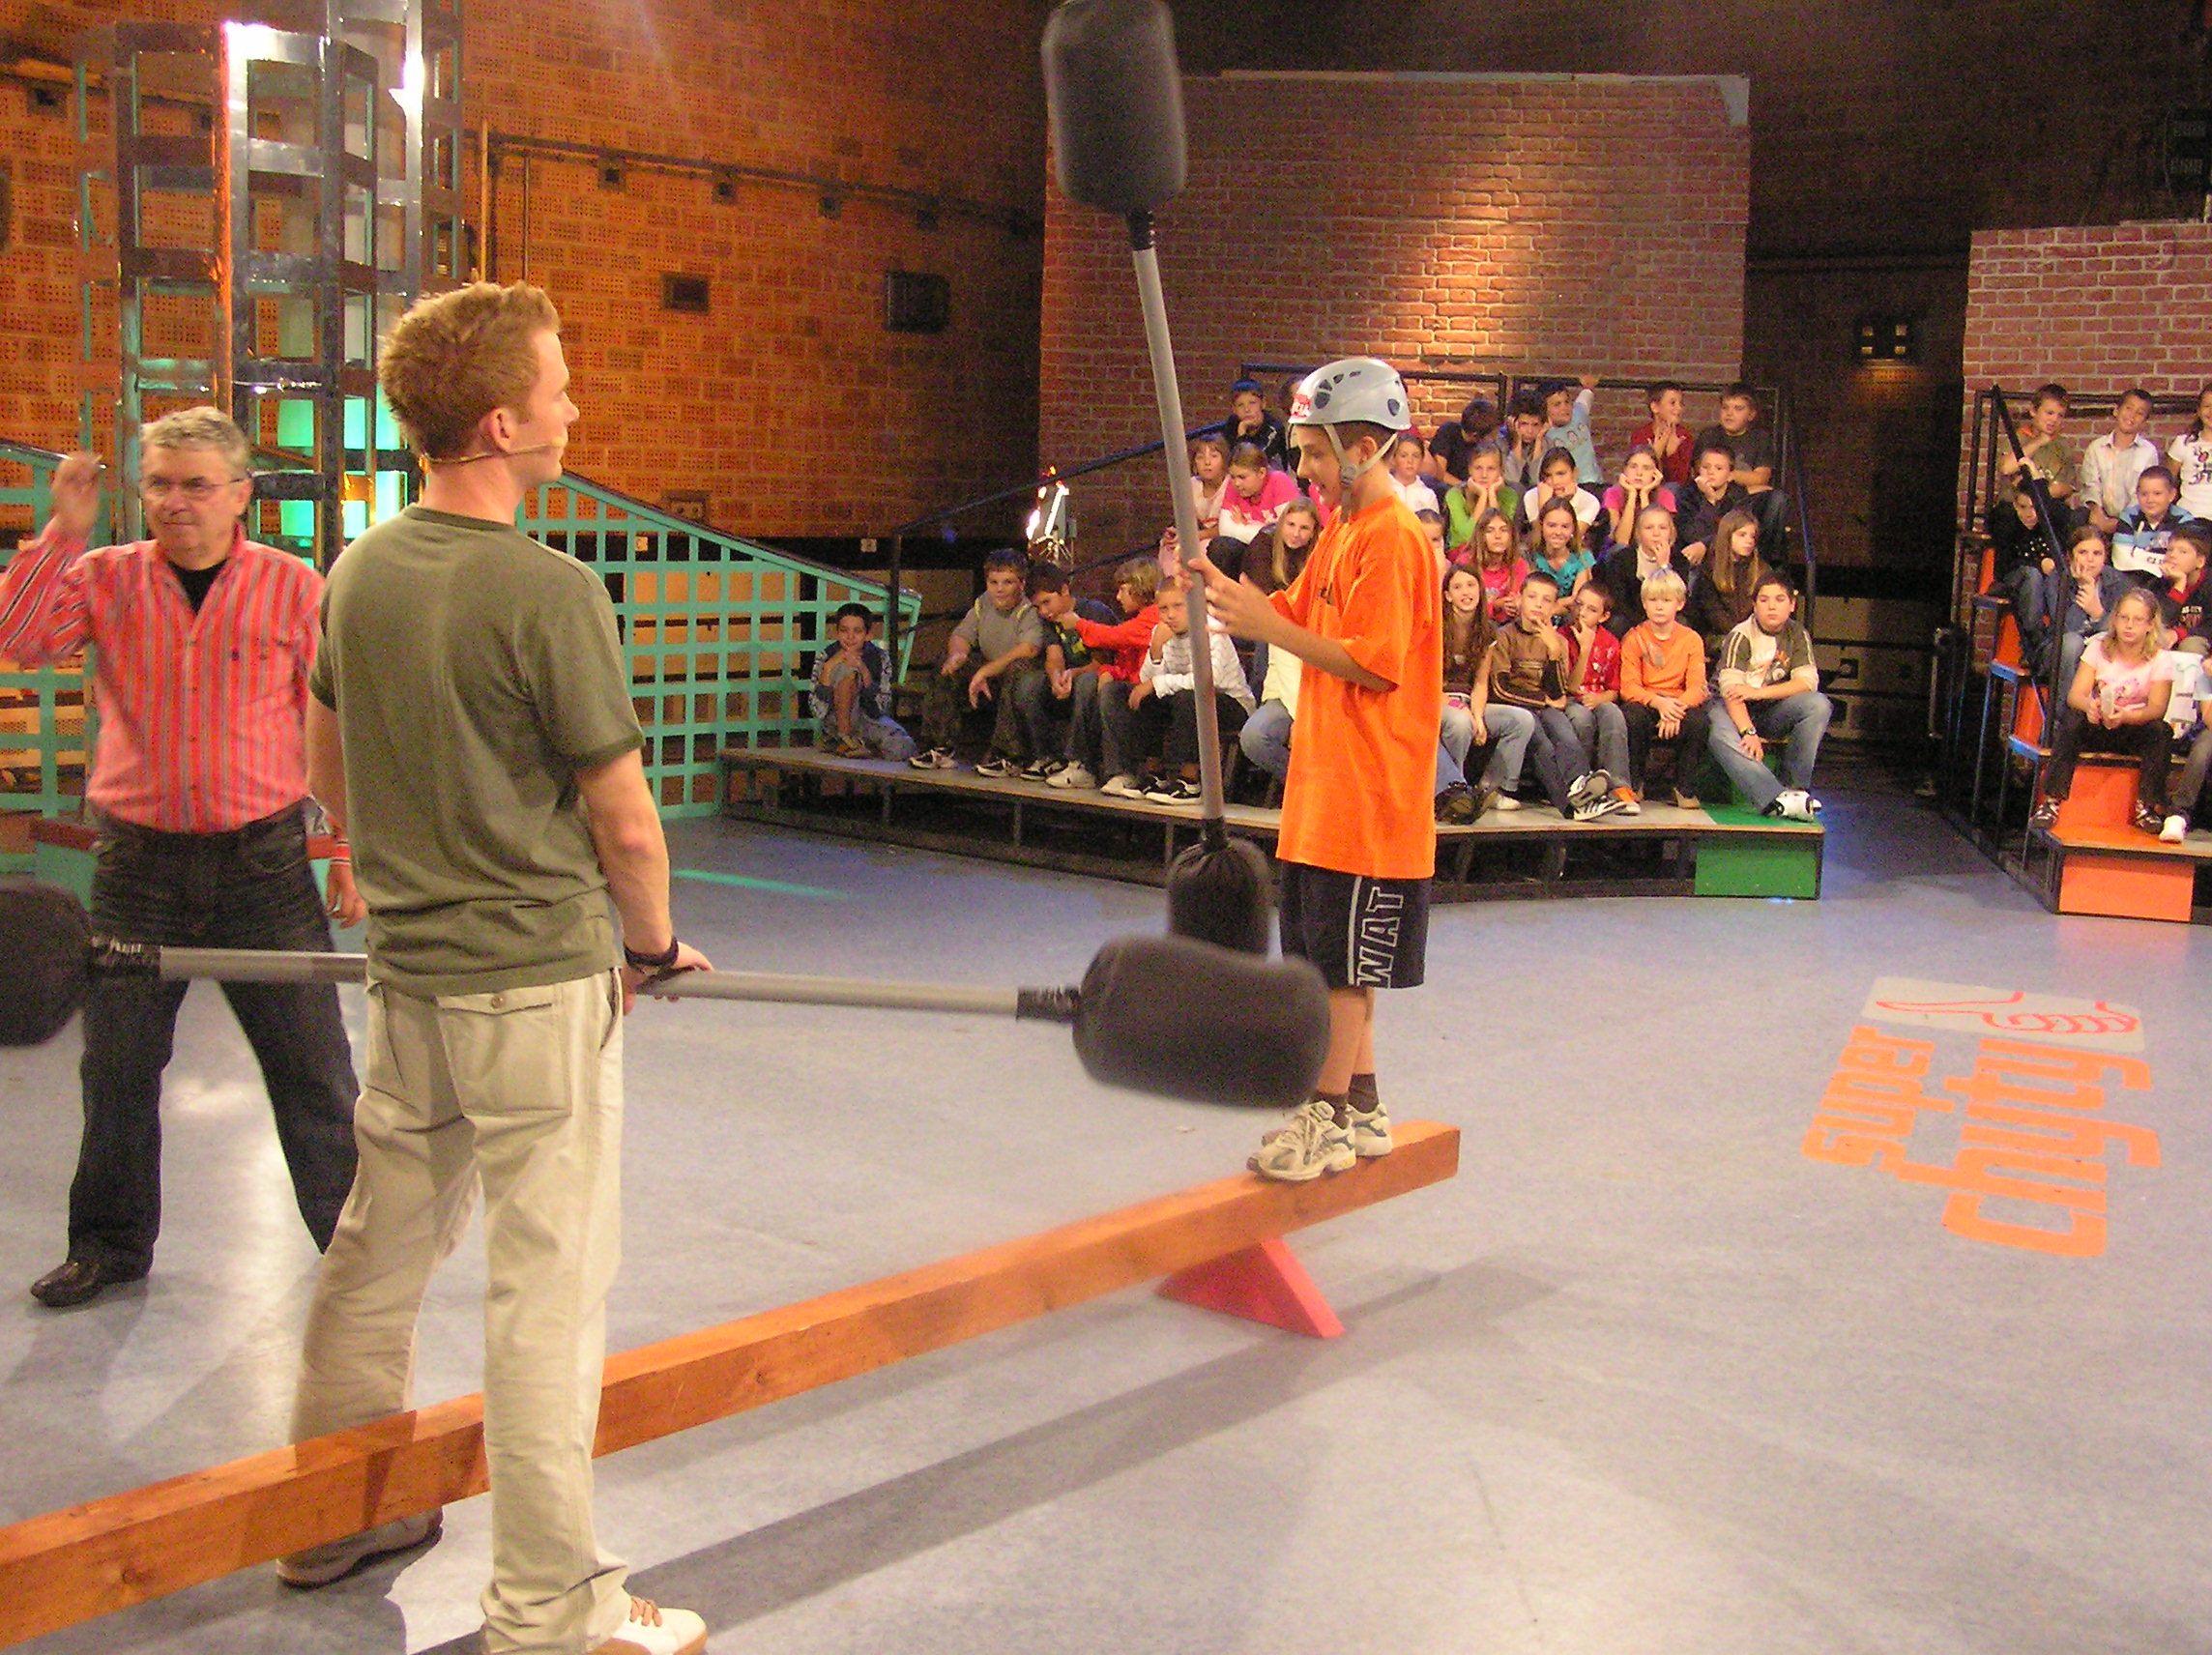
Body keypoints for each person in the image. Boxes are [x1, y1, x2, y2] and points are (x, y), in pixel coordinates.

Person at [286, 281, 710, 1655]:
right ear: (499, 425)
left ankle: (331, 1515)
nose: (573, 408)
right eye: (557, 388)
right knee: (547, 1292)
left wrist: (402, 859)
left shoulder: (359, 569)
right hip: (533, 985)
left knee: (378, 1245)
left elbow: (325, 766)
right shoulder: (549, 590)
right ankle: (551, 1606)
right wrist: (650, 946)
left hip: (408, 977)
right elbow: (626, 823)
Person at [0, 409, 363, 1311]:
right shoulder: (104, 576)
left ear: (240, 494)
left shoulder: (292, 587)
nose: (176, 502)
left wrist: (347, 851)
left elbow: (334, 728)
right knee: (116, 1071)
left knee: (314, 1070)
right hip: (138, 870)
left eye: (197, 484)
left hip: (265, 871)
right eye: (160, 483)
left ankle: (358, 1253)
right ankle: (109, 1247)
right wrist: (63, 531)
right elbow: (19, 637)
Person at [1188, 356, 1441, 1184]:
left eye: (1316, 453)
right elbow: (1291, 615)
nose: (1303, 470)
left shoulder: (1393, 538)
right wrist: (1224, 588)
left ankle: (1323, 1117)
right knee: (1323, 958)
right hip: (1326, 784)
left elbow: (1373, 663)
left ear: (1365, 447)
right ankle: (1361, 1104)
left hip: (1371, 791)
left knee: (1339, 969)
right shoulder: (1341, 530)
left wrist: (1269, 625)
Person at [2028, 587, 2176, 838]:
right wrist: (2090, 706)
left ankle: (2147, 806)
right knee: (2072, 719)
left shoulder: (2161, 659)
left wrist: (2126, 716)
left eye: (2137, 619)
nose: (2129, 625)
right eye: (2123, 617)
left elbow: (2157, 708)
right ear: (2115, 619)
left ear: (2150, 625)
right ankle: (2051, 801)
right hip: (2098, 723)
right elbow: (2076, 695)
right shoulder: (2098, 648)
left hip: (2132, 727)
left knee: (2161, 731)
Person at [1484, 569, 1621, 820]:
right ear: (1520, 599)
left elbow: (1558, 691)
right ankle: (1571, 807)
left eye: (1546, 600)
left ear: (1554, 607)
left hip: (1545, 706)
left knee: (1565, 732)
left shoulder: (1557, 640)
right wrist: (1543, 700)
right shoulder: (1503, 636)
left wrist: (1554, 652)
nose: (1538, 604)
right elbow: (1499, 688)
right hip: (1516, 705)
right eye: (1532, 597)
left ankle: (1582, 786)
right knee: (1542, 743)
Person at [1709, 571, 1831, 821]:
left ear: (1792, 604)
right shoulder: (1741, 635)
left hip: (1769, 708)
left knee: (1819, 705)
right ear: (1755, 605)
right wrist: (1748, 731)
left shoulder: (1797, 634)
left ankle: (1796, 789)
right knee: (1719, 733)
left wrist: (1759, 693)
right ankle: (1775, 797)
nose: (1772, 606)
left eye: (1779, 599)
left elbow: (1807, 683)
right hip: (1729, 707)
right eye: (1764, 600)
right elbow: (1731, 692)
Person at [910, 548, 1044, 773]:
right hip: (990, 677)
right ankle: (940, 748)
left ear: (1021, 584)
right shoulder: (983, 602)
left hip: (1022, 680)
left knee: (1018, 669)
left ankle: (1007, 756)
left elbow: (1028, 650)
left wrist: (985, 671)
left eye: (1008, 582)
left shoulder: (1029, 608)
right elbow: (962, 634)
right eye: (994, 582)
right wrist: (958, 655)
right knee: (947, 664)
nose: (999, 589)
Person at [1125, 579, 1254, 804]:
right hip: (1185, 700)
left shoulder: (1211, 630)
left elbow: (1208, 681)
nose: (1170, 615)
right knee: (1145, 697)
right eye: (1163, 609)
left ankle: (1190, 781)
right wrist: (1156, 651)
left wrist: (1158, 683)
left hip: (1232, 704)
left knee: (1189, 698)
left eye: (1178, 606)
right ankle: (1155, 774)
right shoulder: (1162, 632)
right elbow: (1147, 682)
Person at [1433, 564, 1534, 821]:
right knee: (1459, 722)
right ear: (1447, 596)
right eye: (1458, 587)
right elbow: (1426, 680)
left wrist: (1478, 716)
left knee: (1521, 720)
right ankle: (1452, 795)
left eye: (1471, 585)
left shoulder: (1487, 631)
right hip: (1436, 699)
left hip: (1469, 700)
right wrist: (1461, 710)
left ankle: (1492, 789)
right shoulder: (1435, 627)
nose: (1466, 592)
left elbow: (1480, 683)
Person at [1051, 557, 1160, 792]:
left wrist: (1079, 624)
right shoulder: (1139, 617)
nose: (1118, 597)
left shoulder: (1154, 616)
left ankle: (1122, 772)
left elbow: (1115, 637)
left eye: (1123, 590)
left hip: (1152, 690)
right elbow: (1125, 661)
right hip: (1132, 684)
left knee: (1111, 693)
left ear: (1140, 587)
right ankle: (1081, 765)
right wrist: (1108, 671)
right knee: (1089, 683)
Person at [1618, 568, 1713, 806]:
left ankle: (1684, 789)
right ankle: (1635, 784)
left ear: (1679, 604)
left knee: (1699, 721)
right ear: (1644, 604)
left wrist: (1675, 709)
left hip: (1679, 702)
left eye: (1666, 600)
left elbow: (1698, 687)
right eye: (1653, 600)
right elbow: (1629, 687)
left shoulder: (1691, 639)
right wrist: (1659, 704)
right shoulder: (1634, 638)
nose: (1659, 606)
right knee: (1632, 717)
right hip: (1648, 701)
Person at [1560, 580, 1637, 814]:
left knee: (1613, 714)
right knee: (1581, 718)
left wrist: (1600, 699)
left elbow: (1614, 690)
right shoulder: (1562, 636)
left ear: (1604, 617)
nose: (1582, 613)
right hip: (1569, 699)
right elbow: (1565, 686)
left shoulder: (1610, 643)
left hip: (1598, 698)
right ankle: (1581, 787)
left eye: (1591, 609)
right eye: (1579, 605)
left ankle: (1619, 788)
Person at [2023, 524, 2131, 688]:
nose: (2090, 559)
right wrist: (2084, 586)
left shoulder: (2116, 581)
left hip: (2101, 646)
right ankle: (2064, 705)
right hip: (2058, 649)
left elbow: (2122, 628)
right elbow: (2067, 628)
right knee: (2073, 643)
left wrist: (2098, 614)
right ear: (2070, 556)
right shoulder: (2058, 579)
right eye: (2083, 553)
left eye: (2097, 553)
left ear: (2105, 557)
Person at [1014, 566, 1093, 780]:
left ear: (1064, 590)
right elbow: (1054, 656)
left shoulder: (1093, 612)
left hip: (1091, 678)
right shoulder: (1050, 621)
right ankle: (1046, 756)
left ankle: (1080, 763)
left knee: (1087, 682)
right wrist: (1056, 678)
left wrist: (1074, 674)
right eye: (1037, 607)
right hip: (1069, 679)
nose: (1043, 611)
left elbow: (1103, 662)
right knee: (1029, 684)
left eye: (1047, 602)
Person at [809, 601, 915, 761]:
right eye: (844, 631)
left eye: (857, 631)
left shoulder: (880, 657)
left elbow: (881, 707)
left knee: (904, 745)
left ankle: (864, 748)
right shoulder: (826, 656)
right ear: (837, 633)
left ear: (868, 634)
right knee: (846, 670)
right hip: (835, 723)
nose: (850, 637)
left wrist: (864, 670)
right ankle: (844, 739)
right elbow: (817, 710)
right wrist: (828, 668)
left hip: (867, 720)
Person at [1693, 383, 1788, 555]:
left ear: (1751, 414)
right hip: (1715, 495)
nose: (1729, 413)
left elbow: (1761, 478)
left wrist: (1729, 478)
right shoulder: (1709, 436)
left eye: (1738, 409)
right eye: (1725, 408)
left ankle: (1766, 557)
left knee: (1777, 499)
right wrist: (1740, 481)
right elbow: (1703, 474)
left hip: (1746, 501)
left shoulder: (1760, 439)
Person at [1597, 504, 1694, 637]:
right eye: (1649, 528)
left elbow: (1679, 600)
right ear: (1639, 533)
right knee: (1617, 623)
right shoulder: (1623, 558)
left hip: (1666, 617)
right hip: (1631, 618)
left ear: (1671, 532)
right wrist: (1644, 625)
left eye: (1662, 528)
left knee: (1681, 622)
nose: (1656, 534)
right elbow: (1619, 601)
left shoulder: (1679, 560)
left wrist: (1664, 567)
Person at [1686, 508, 1767, 660]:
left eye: (1752, 536)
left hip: (1753, 636)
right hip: (1717, 637)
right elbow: (1713, 613)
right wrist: (1742, 635)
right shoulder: (1709, 570)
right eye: (1742, 535)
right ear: (1727, 536)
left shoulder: (1762, 570)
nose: (1749, 541)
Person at [1994, 383, 2081, 526]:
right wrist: (2039, 441)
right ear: (2033, 410)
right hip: (2014, 508)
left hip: (2046, 508)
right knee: (2003, 515)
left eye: (2060, 415)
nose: (2054, 420)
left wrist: (2038, 490)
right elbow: (2007, 468)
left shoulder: (2062, 446)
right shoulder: (2017, 438)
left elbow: (2067, 487)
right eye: (2049, 413)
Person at [2080, 388, 2161, 535]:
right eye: (2128, 408)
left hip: (2134, 519)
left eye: (2140, 413)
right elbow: (2090, 485)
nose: (2132, 416)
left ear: (2145, 421)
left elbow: (2143, 492)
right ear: (2116, 410)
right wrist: (2098, 515)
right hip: (2098, 517)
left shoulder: (2148, 452)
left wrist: (2122, 521)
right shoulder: (2096, 448)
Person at [2110, 465, 2194, 584]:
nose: (2150, 500)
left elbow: (2182, 563)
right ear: (2137, 495)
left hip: (2170, 582)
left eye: (2157, 494)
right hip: (2133, 580)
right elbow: (2121, 561)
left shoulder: (2183, 520)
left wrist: (2139, 555)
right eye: (2144, 494)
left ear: (2172, 495)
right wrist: (2160, 565)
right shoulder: (2129, 516)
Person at [1674, 440, 1750, 568]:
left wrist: (1705, 544)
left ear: (1730, 475)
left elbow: (1737, 534)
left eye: (1718, 468)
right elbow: (1691, 535)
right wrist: (1709, 501)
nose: (1711, 472)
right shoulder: (1687, 494)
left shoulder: (1739, 496)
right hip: (1692, 557)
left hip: (1727, 558)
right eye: (1706, 467)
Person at [1215, 442, 1302, 542]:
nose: (1237, 483)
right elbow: (1225, 530)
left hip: (1277, 549)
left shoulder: (1279, 481)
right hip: (1250, 545)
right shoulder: (1234, 486)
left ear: (1261, 473)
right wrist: (1263, 531)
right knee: (1221, 544)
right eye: (1233, 477)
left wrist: (1245, 525)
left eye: (1242, 477)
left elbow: (1287, 534)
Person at [1442, 441, 1520, 553]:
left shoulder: (1509, 495)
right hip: (1462, 553)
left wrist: (1492, 495)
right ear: (1470, 469)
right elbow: (1467, 537)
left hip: (1497, 553)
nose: (1484, 475)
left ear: (1500, 471)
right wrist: (1483, 496)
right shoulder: (1455, 494)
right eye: (1478, 468)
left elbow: (1501, 538)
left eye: (1491, 469)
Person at [1601, 444, 1677, 550]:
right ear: (1625, 470)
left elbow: (1653, 541)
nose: (1639, 473)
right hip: (1618, 553)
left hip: (1654, 551)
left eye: (1646, 468)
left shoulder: (1666, 496)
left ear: (1656, 473)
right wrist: (1632, 496)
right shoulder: (1612, 493)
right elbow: (1621, 541)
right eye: (1633, 467)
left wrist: (1644, 495)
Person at [1517, 446, 1602, 540]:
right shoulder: (1531, 496)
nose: (1555, 481)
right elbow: (1538, 539)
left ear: (1574, 473)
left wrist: (1562, 502)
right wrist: (1544, 505)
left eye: (1561, 474)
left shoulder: (1590, 501)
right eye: (1548, 475)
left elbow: (1570, 540)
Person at [1460, 506, 1528, 623]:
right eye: (1490, 531)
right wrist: (1495, 605)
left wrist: (1516, 604)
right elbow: (1461, 606)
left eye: (1503, 530)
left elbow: (1519, 597)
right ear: (1480, 535)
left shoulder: (1519, 564)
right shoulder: (1466, 564)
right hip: (1474, 624)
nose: (1497, 536)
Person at [1525, 495, 1596, 599]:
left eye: (1565, 527)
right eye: (1552, 525)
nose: (1558, 532)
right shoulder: (1528, 556)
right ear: (1541, 526)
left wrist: (1555, 605)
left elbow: (1577, 601)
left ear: (1573, 528)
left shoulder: (1583, 558)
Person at [1538, 374, 1603, 486]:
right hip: (1568, 487)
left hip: (1595, 481)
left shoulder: (1578, 414)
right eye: (1557, 405)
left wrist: (1588, 387)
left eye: (1567, 402)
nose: (1564, 407)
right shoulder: (1545, 434)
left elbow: (1585, 397)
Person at [1217, 377, 1290, 474]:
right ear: (1234, 409)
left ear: (1263, 403)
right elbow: (1227, 457)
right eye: (1240, 405)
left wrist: (1242, 435)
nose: (1247, 410)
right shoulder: (1232, 424)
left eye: (1252, 403)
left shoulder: (1274, 428)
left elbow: (1252, 462)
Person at [1425, 394, 1499, 489]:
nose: (1495, 437)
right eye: (1492, 435)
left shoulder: (1487, 445)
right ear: (1475, 435)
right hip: (1451, 488)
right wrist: (1467, 487)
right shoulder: (1448, 432)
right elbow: (1440, 474)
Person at [1629, 380, 1694, 487]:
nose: (1679, 408)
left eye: (1681, 404)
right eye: (1673, 403)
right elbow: (1637, 475)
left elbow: (1681, 481)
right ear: (1655, 407)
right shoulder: (1641, 435)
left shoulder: (1684, 436)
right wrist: (1655, 455)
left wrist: (1671, 454)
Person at [2155, 522, 2210, 645]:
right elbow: (2160, 624)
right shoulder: (2158, 585)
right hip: (2166, 645)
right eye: (2169, 550)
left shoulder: (2209, 585)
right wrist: (2179, 585)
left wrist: (2178, 634)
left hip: (2201, 647)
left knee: (2191, 644)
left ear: (2200, 561)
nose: (2172, 555)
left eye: (2183, 552)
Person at [2168, 383, 2212, 522]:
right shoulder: (2183, 443)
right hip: (2189, 518)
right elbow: (2166, 482)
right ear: (2198, 410)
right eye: (2207, 406)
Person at [1499, 389, 1552, 489]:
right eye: (1524, 424)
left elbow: (1537, 481)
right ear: (1511, 421)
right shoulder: (1500, 442)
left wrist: (1539, 442)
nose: (1530, 431)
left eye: (1535, 425)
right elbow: (1511, 480)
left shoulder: (1546, 443)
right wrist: (1517, 441)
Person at [1387, 433, 1440, 514]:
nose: (1410, 461)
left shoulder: (1428, 495)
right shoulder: (1383, 488)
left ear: (1421, 460)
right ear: (1393, 459)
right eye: (1403, 456)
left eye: (1415, 456)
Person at [1188, 434, 1230, 537]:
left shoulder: (1232, 485)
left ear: (1224, 460)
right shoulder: (1191, 485)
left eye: (1214, 456)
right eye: (1200, 457)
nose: (1207, 462)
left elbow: (1229, 527)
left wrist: (1201, 535)